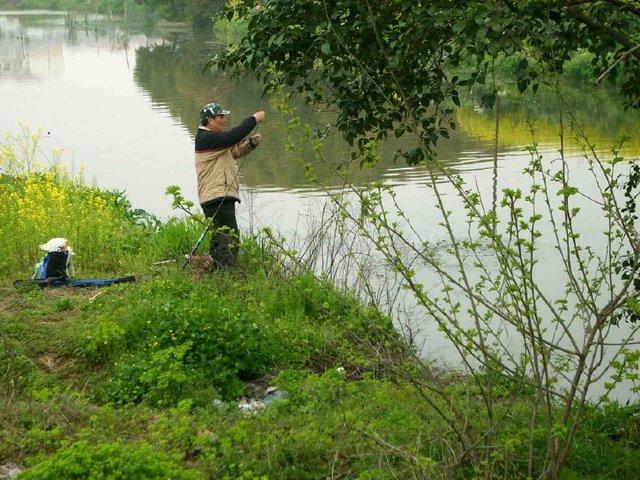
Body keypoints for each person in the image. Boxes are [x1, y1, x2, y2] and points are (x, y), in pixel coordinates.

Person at [195, 103, 265, 268]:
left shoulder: (214, 141)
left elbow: (233, 152)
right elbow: (233, 136)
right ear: (210, 120)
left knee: (220, 237)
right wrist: (254, 119)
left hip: (217, 196)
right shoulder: (206, 138)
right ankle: (225, 273)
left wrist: (251, 144)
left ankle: (216, 271)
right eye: (221, 117)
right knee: (230, 238)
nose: (225, 120)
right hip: (216, 196)